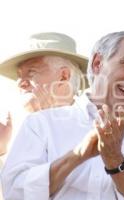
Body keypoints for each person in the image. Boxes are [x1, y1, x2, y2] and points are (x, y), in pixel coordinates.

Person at [1, 31, 124, 200]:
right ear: (97, 64)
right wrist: (77, 155)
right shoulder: (39, 125)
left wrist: (115, 160)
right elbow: (14, 193)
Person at [0, 32, 88, 200]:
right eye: (19, 76)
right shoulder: (12, 135)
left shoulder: (96, 129)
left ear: (63, 76)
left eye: (31, 73)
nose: (20, 83)